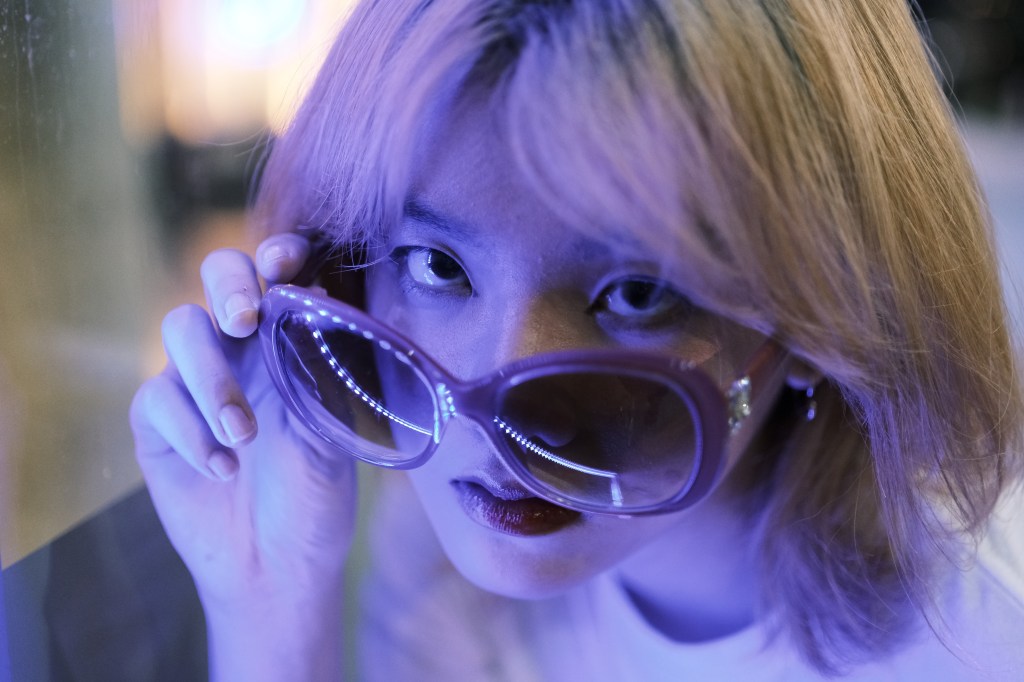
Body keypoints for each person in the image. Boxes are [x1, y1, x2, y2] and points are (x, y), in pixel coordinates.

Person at [130, 0, 1024, 679]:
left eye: (637, 293)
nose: (502, 419)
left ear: (829, 304)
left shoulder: (987, 637)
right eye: (438, 266)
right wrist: (269, 602)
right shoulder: (440, 557)